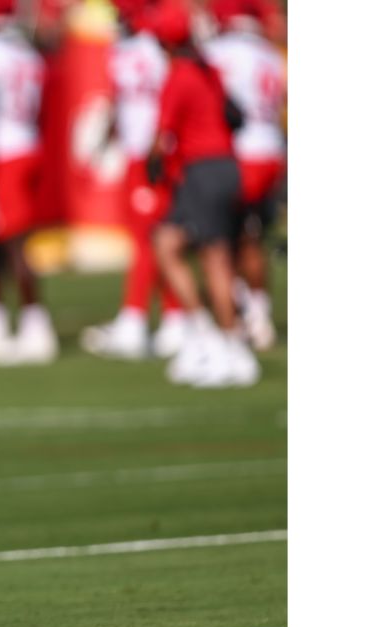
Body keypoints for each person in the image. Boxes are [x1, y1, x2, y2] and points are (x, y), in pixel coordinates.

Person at [148, 0, 257, 387]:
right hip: (225, 166)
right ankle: (208, 336)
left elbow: (162, 137)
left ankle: (231, 349)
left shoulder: (180, 74)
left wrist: (152, 167)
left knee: (215, 259)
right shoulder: (207, 68)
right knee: (166, 243)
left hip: (203, 169)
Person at [81, 0, 187, 361]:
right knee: (151, 236)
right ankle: (173, 319)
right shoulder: (128, 47)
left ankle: (138, 319)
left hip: (153, 154)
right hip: (137, 151)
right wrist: (104, 140)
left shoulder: (151, 47)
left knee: (150, 238)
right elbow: (119, 101)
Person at [0, 0, 57, 365]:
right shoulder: (25, 53)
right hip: (26, 144)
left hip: (3, 154)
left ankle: (35, 324)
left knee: (11, 243)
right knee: (3, 240)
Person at [204, 0, 286, 352]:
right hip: (272, 150)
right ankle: (257, 312)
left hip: (241, 153)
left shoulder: (219, 52)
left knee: (228, 240)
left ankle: (246, 316)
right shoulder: (269, 53)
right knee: (251, 236)